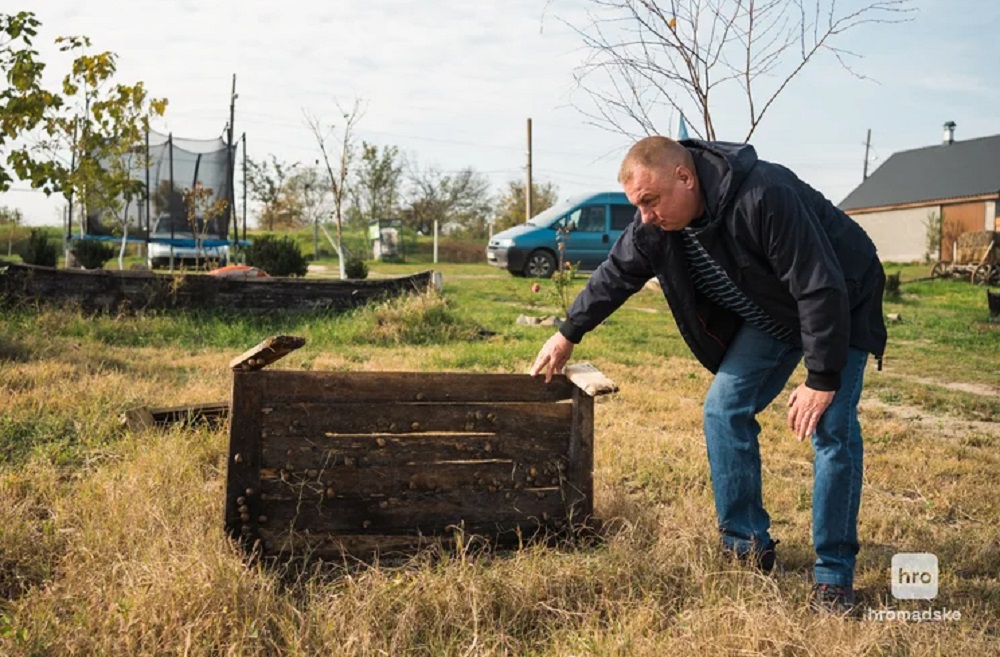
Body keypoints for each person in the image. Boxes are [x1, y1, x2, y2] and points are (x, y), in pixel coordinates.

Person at [530, 136, 886, 613]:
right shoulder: (653, 224)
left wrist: (821, 379)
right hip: (773, 313)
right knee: (723, 409)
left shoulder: (764, 194)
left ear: (685, 176)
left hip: (843, 295)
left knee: (831, 427)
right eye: (639, 205)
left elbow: (819, 285)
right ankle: (745, 545)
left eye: (651, 201)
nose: (646, 215)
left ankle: (833, 576)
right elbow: (616, 273)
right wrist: (567, 332)